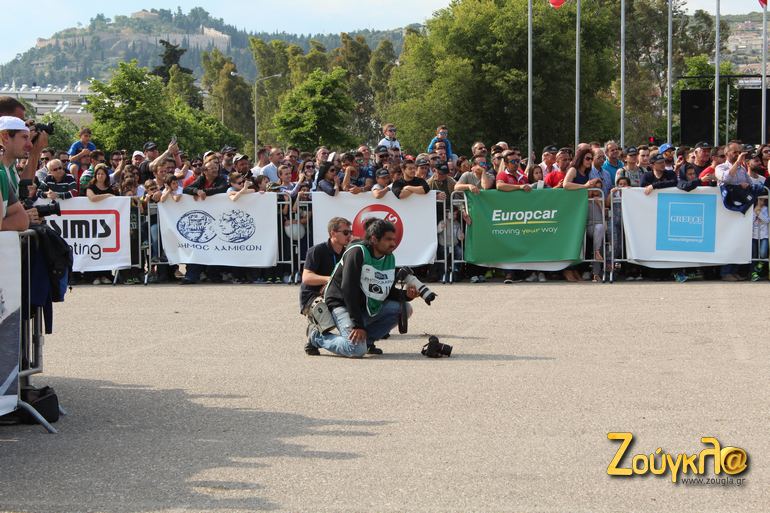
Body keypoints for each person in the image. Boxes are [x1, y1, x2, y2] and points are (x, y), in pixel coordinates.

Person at [306, 218, 419, 358]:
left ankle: (367, 342)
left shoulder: (388, 257)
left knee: (405, 308)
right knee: (355, 350)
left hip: (362, 304)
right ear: (374, 239)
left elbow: (383, 290)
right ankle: (317, 336)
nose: (393, 243)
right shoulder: (357, 252)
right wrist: (358, 325)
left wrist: (407, 295)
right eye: (388, 239)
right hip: (341, 303)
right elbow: (348, 290)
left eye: (394, 239)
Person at [300, 216, 354, 346]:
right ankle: (314, 333)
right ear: (333, 233)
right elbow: (306, 278)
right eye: (346, 233)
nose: (349, 236)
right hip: (314, 297)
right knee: (327, 320)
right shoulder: (317, 250)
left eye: (350, 232)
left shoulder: (348, 252)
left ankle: (368, 340)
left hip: (335, 294)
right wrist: (331, 280)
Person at [0, 116, 31, 231]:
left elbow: (20, 218)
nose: (30, 145)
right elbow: (20, 220)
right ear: (5, 136)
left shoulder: (11, 170)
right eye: (24, 137)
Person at [752, 198, 769, 281]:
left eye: (763, 200)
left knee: (763, 254)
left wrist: (759, 213)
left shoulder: (766, 208)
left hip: (764, 235)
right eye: (760, 200)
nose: (761, 202)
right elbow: (750, 221)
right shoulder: (752, 208)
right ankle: (753, 274)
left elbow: (767, 220)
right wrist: (755, 212)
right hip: (753, 235)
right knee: (754, 255)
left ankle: (760, 264)